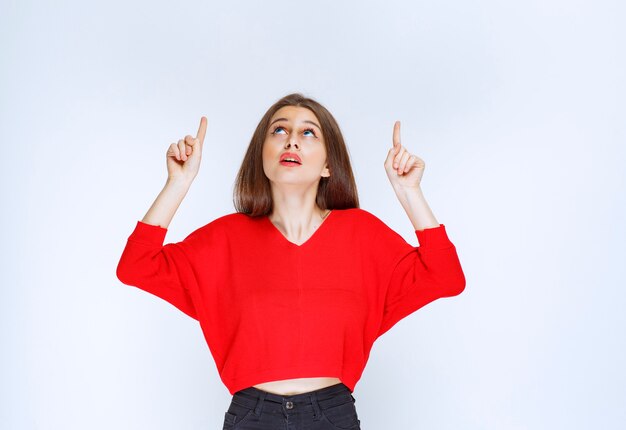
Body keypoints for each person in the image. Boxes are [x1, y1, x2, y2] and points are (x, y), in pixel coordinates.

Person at [116, 93, 466, 429]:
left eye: (308, 132)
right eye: (279, 130)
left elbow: (446, 276)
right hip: (250, 416)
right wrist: (179, 182)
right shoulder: (224, 238)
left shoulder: (362, 234)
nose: (292, 141)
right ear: (262, 156)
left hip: (333, 415)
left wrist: (409, 192)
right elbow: (136, 265)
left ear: (329, 165)